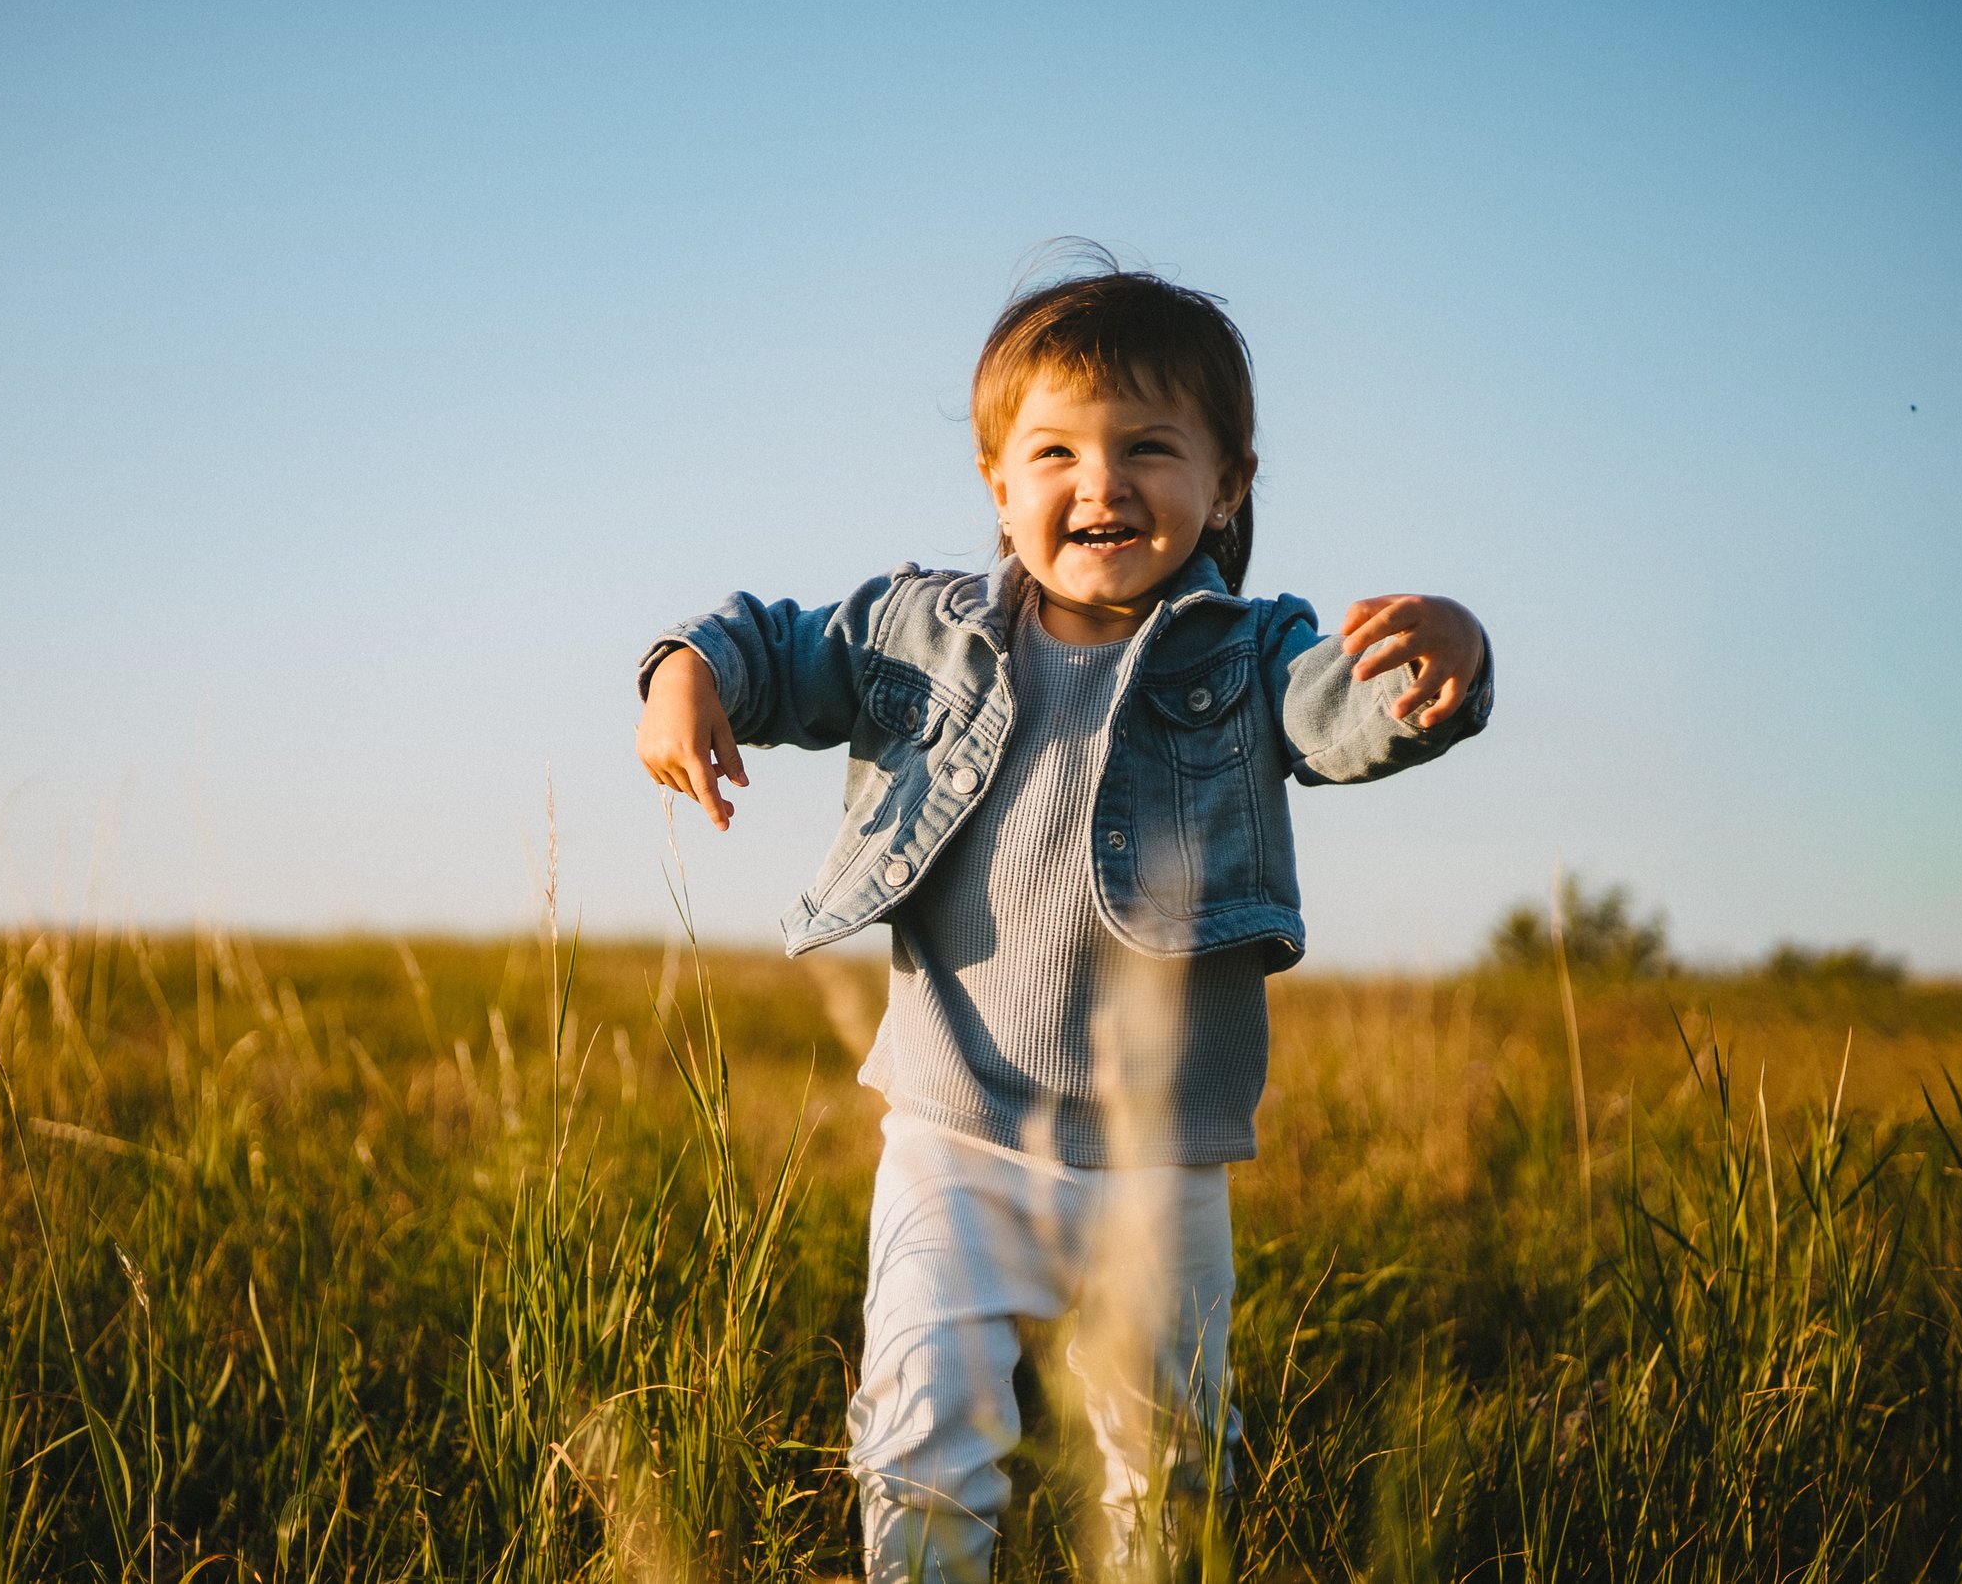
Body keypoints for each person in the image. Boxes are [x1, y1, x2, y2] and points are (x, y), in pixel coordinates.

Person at [633, 259, 1492, 1581]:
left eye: (1150, 446)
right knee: (924, 1437)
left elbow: (1342, 712)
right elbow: (777, 644)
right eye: (1057, 451)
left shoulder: (1249, 652)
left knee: (1170, 1464)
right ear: (997, 481)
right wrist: (688, 673)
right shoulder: (924, 634)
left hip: (1163, 1157)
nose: (1102, 483)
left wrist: (1441, 660)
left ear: (1228, 484)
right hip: (955, 1138)